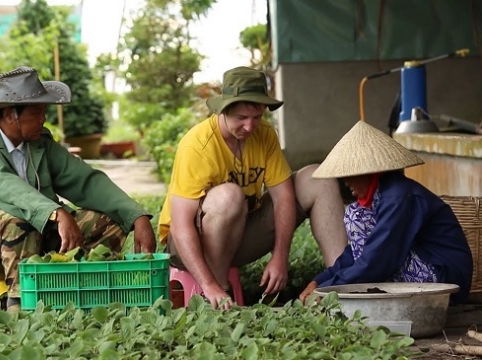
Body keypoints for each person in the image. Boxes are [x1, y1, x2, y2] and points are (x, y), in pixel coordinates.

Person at [0, 66, 156, 312]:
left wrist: (136, 215)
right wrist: (55, 212)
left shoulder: (39, 144)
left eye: (44, 111)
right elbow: (1, 183)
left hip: (38, 238)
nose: (43, 119)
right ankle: (20, 308)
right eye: (37, 112)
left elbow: (85, 180)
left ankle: (83, 294)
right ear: (10, 114)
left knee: (107, 220)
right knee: (17, 220)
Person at [158, 66, 349, 309]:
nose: (250, 127)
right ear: (223, 110)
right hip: (188, 247)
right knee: (229, 195)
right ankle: (217, 298)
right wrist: (209, 284)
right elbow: (180, 225)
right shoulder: (197, 146)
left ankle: (343, 283)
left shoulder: (264, 135)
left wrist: (280, 257)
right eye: (241, 118)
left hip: (239, 235)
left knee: (317, 177)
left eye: (256, 117)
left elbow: (284, 197)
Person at [298, 120, 473, 304]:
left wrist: (330, 291)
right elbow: (362, 252)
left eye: (350, 175)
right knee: (356, 213)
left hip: (446, 282)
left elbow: (377, 260)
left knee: (356, 217)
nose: (346, 182)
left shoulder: (397, 198)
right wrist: (320, 281)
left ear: (367, 172)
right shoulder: (383, 196)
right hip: (425, 269)